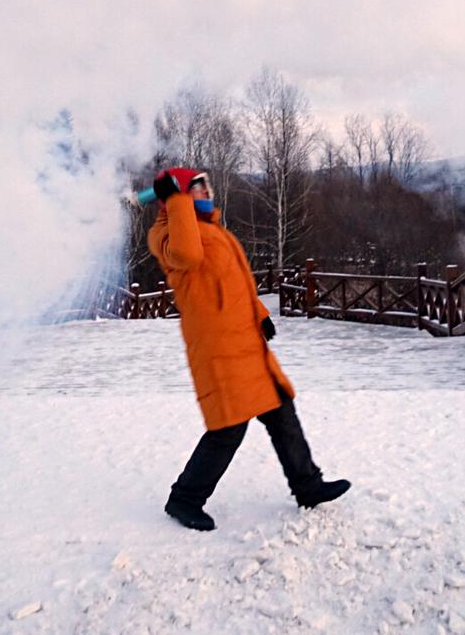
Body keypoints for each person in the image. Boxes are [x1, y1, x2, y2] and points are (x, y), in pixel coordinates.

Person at [146, 166, 350, 531]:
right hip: (219, 350)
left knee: (281, 411)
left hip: (245, 344)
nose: (208, 188)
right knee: (229, 427)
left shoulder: (211, 230)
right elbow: (188, 257)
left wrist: (259, 314)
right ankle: (184, 499)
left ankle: (308, 486)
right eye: (197, 186)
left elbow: (233, 283)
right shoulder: (165, 234)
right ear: (175, 196)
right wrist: (175, 202)